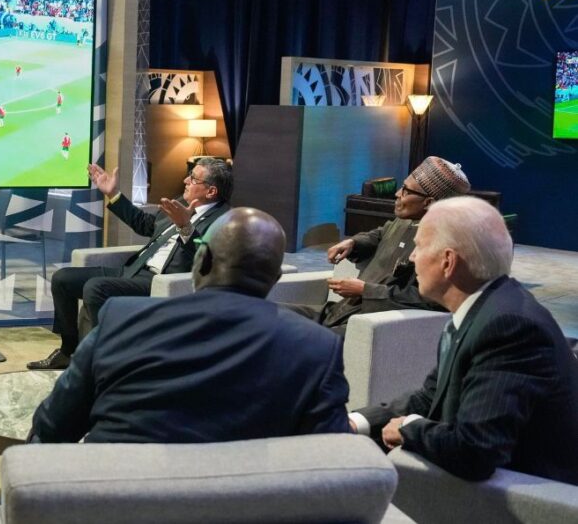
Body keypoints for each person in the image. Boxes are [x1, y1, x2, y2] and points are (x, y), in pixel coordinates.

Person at [32, 208, 349, 443]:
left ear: (202, 260)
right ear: (276, 278)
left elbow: (51, 428)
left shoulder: (121, 319)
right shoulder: (318, 347)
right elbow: (329, 457)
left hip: (117, 497)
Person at [349, 197, 578, 485]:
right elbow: (429, 397)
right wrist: (357, 421)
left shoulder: (508, 327)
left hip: (529, 496)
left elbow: (476, 451)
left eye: (419, 247)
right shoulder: (485, 307)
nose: (412, 258)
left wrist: (409, 428)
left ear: (448, 261)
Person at [29, 157, 232, 370]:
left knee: (96, 288)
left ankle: (101, 361)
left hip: (159, 282)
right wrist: (113, 194)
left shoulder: (224, 220)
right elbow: (145, 224)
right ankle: (68, 351)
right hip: (134, 269)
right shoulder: (179, 202)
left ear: (211, 191)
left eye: (193, 178)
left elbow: (207, 257)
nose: (185, 181)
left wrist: (185, 226)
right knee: (63, 279)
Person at [285, 156, 471, 333]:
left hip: (370, 324)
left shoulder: (447, 246)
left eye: (406, 191)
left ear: (428, 202)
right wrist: (353, 242)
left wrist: (365, 290)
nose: (397, 194)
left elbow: (431, 301)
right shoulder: (405, 220)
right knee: (271, 314)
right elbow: (380, 234)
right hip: (339, 312)